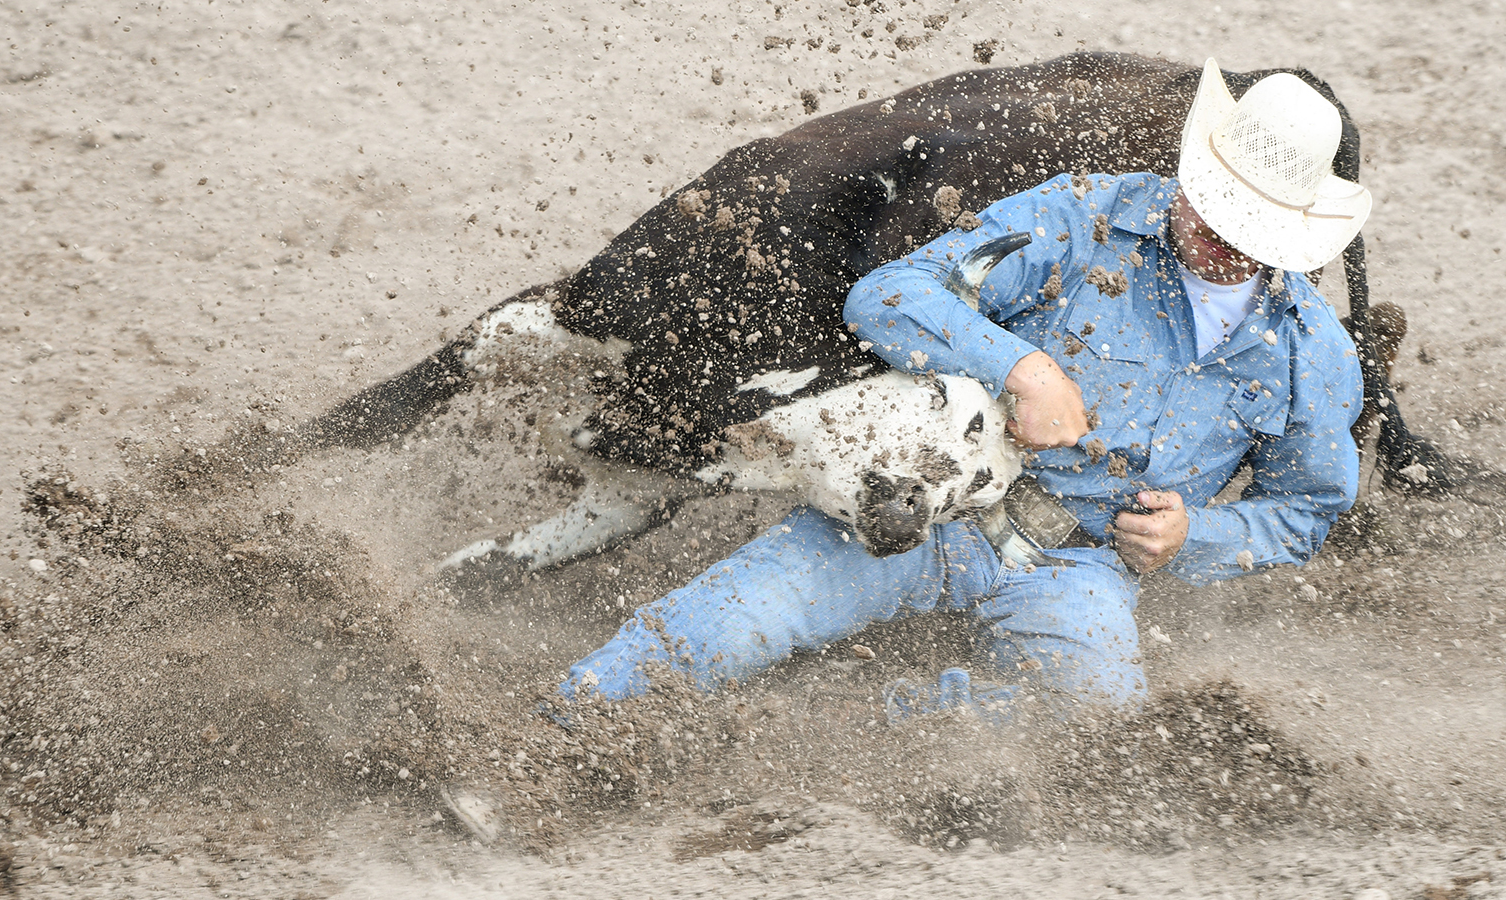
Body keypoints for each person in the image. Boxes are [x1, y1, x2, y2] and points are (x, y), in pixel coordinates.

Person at [552, 59, 1371, 724]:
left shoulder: (1313, 354)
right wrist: (1027, 368)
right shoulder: (1078, 218)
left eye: (1246, 234)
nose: (1219, 240)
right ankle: (565, 721)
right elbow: (891, 294)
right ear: (1192, 176)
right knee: (735, 620)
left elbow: (1304, 511)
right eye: (1212, 213)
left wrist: (1193, 536)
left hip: (1079, 567)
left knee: (1096, 721)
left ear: (1291, 235)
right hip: (925, 500)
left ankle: (879, 726)